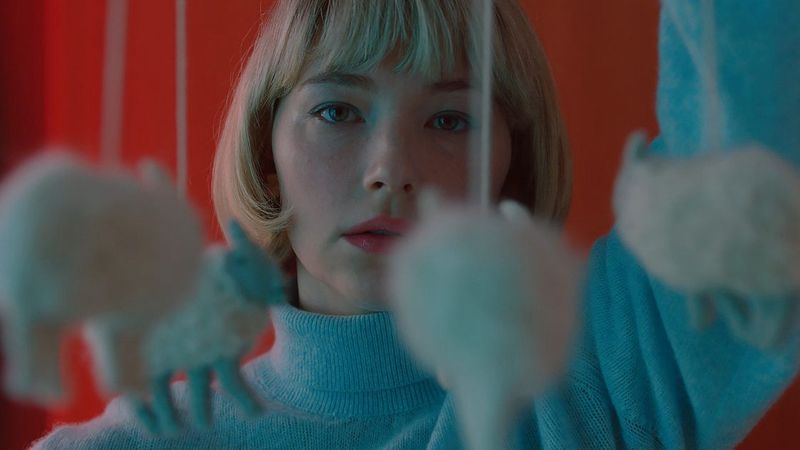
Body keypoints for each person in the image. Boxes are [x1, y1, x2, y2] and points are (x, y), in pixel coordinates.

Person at [33, 0, 800, 448]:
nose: (390, 170)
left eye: (450, 119)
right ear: (267, 158)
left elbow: (768, 155)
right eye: (337, 111)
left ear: (511, 170)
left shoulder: (603, 378)